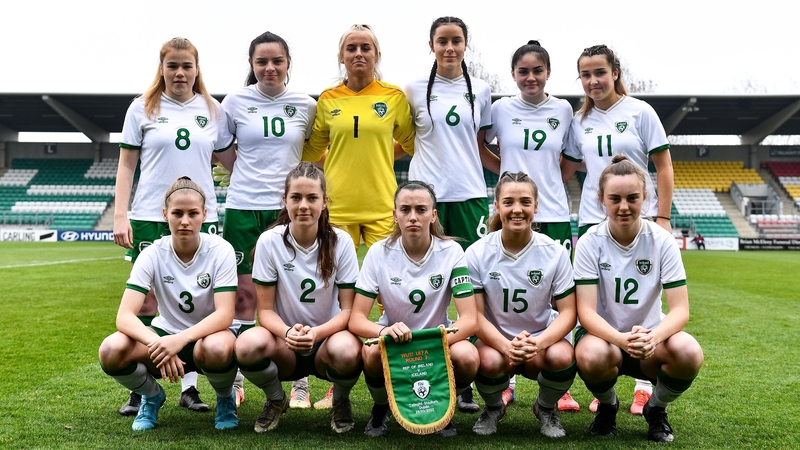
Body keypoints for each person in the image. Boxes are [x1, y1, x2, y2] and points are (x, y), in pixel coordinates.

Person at [113, 37, 235, 416]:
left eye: (186, 66)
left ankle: (191, 385)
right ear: (161, 69)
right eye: (172, 66)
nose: (180, 73)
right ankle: (143, 382)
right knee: (147, 300)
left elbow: (233, 161)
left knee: (200, 298)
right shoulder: (142, 107)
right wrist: (120, 214)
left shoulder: (213, 110)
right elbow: (126, 165)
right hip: (151, 212)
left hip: (203, 216)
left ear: (197, 70)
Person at [561, 44, 675, 415]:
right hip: (594, 222)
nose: (593, 81)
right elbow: (569, 167)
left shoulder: (641, 112)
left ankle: (644, 386)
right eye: (586, 75)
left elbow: (663, 166)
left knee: (645, 295)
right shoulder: (579, 121)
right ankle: (604, 384)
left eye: (599, 72)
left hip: (637, 220)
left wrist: (663, 218)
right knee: (600, 304)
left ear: (615, 73)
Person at [404, 15, 499, 413]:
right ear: (431, 45)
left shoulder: (481, 89)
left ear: (465, 44)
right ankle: (415, 370)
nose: (449, 47)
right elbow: (402, 141)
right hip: (428, 199)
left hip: (471, 196)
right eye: (442, 40)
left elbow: (480, 147)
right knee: (425, 284)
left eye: (456, 40)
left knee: (470, 289)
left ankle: (464, 381)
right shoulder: (410, 90)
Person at [573, 155, 704, 442]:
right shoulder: (589, 243)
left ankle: (656, 409)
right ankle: (608, 406)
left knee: (689, 352)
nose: (624, 206)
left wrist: (653, 337)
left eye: (632, 198)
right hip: (604, 339)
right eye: (615, 198)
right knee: (590, 355)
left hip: (650, 340)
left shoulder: (662, 241)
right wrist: (621, 340)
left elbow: (680, 310)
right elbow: (585, 312)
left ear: (645, 198)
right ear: (602, 200)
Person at [219, 31, 317, 409]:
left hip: (289, 210)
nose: (270, 67)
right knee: (244, 296)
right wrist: (249, 175)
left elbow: (312, 154)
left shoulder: (306, 105)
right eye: (262, 61)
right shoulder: (235, 102)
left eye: (277, 60)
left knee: (294, 296)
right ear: (251, 65)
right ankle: (240, 377)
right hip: (244, 206)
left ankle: (300, 382)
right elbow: (226, 153)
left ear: (288, 63)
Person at [99, 177, 239, 431]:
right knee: (111, 350)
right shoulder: (152, 253)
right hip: (164, 336)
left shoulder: (221, 250)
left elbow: (225, 315)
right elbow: (125, 317)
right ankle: (151, 396)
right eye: (177, 213)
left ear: (204, 215)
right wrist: (159, 343)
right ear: (165, 214)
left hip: (206, 338)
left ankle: (224, 398)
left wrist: (181, 340)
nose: (185, 221)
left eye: (193, 213)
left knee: (220, 347)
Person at [485, 40, 580, 413]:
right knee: (505, 288)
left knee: (557, 298)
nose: (530, 77)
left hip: (552, 213)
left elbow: (569, 160)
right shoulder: (500, 108)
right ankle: (506, 380)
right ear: (513, 74)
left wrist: (547, 185)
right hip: (512, 211)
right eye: (523, 71)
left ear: (548, 73)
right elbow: (481, 147)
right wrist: (510, 178)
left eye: (537, 70)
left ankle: (560, 382)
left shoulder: (563, 109)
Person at [234, 163, 362, 434]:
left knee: (349, 350)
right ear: (285, 201)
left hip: (327, 342)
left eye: (312, 198)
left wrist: (315, 334)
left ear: (325, 202)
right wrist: (289, 332)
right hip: (285, 344)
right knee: (246, 344)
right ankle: (276, 399)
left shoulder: (342, 241)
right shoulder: (269, 241)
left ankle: (340, 400)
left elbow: (349, 310)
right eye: (296, 197)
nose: (304, 205)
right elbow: (265, 312)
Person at [349, 181, 479, 438]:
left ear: (433, 215)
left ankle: (447, 405)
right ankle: (382, 406)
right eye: (405, 209)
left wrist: (434, 339)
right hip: (396, 341)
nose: (413, 217)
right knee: (372, 352)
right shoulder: (378, 252)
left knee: (468, 356)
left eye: (421, 210)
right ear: (395, 215)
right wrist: (385, 330)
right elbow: (356, 319)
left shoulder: (452, 252)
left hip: (440, 341)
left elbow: (470, 320)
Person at [466, 172, 577, 438]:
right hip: (495, 342)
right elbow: (475, 316)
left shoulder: (555, 252)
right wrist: (506, 345)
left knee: (562, 357)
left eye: (526, 202)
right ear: (497, 206)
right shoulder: (478, 252)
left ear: (536, 206)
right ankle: (493, 408)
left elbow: (569, 313)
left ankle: (546, 407)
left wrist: (537, 343)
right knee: (488, 360)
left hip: (541, 340)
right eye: (509, 202)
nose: (517, 209)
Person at [303, 23, 415, 250]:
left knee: (388, 280)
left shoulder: (393, 96)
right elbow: (312, 152)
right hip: (337, 207)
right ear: (341, 57)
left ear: (377, 55)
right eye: (351, 48)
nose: (358, 54)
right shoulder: (327, 99)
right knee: (335, 281)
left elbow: (412, 144)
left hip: (382, 206)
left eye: (366, 48)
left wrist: (381, 154)